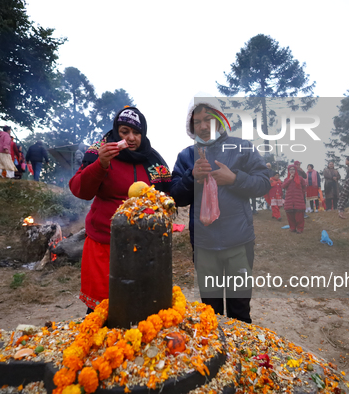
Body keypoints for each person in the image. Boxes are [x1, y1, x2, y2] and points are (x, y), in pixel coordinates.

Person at [170, 95, 270, 324]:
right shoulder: (186, 156)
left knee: (240, 311)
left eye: (209, 119)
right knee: (210, 313)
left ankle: (242, 356)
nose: (204, 126)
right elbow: (175, 196)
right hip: (204, 245)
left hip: (239, 242)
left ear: (220, 119)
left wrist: (234, 179)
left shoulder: (242, 148)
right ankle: (216, 355)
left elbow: (263, 183)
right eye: (197, 122)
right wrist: (191, 177)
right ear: (191, 126)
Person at [70, 107, 171, 313]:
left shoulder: (153, 160)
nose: (131, 138)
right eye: (125, 131)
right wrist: (101, 163)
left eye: (137, 133)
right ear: (117, 131)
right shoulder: (99, 152)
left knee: (139, 305)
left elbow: (167, 194)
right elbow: (80, 190)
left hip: (143, 244)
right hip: (104, 243)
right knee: (103, 309)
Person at [283, 164, 307, 233]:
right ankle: (292, 228)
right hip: (289, 200)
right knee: (290, 215)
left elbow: (304, 187)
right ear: (288, 171)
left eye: (293, 169)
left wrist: (301, 195)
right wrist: (290, 179)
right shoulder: (286, 179)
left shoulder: (300, 178)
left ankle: (300, 228)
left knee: (299, 216)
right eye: (290, 169)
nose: (292, 171)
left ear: (296, 170)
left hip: (298, 199)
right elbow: (283, 186)